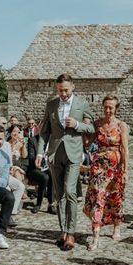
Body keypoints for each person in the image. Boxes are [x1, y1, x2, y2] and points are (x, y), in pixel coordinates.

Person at [36, 73, 95, 251]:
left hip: (74, 154)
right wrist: (40, 154)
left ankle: (71, 233)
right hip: (55, 154)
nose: (63, 94)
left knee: (70, 192)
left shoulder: (82, 103)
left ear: (73, 87)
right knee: (59, 193)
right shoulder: (51, 104)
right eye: (60, 91)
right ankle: (63, 230)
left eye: (66, 90)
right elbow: (44, 132)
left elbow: (92, 127)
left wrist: (77, 125)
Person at [82, 95, 129, 250]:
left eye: (111, 107)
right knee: (98, 198)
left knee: (115, 198)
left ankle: (116, 227)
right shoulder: (97, 124)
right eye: (106, 107)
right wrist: (83, 128)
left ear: (116, 109)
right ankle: (96, 236)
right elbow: (88, 144)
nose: (108, 110)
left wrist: (125, 170)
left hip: (116, 168)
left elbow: (124, 149)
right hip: (99, 167)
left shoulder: (122, 126)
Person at [27, 122, 54, 214]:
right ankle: (38, 204)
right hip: (34, 169)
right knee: (45, 177)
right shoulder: (32, 140)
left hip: (48, 168)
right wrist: (41, 160)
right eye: (42, 128)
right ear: (38, 128)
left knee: (52, 175)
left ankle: (51, 204)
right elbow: (31, 157)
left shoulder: (52, 141)